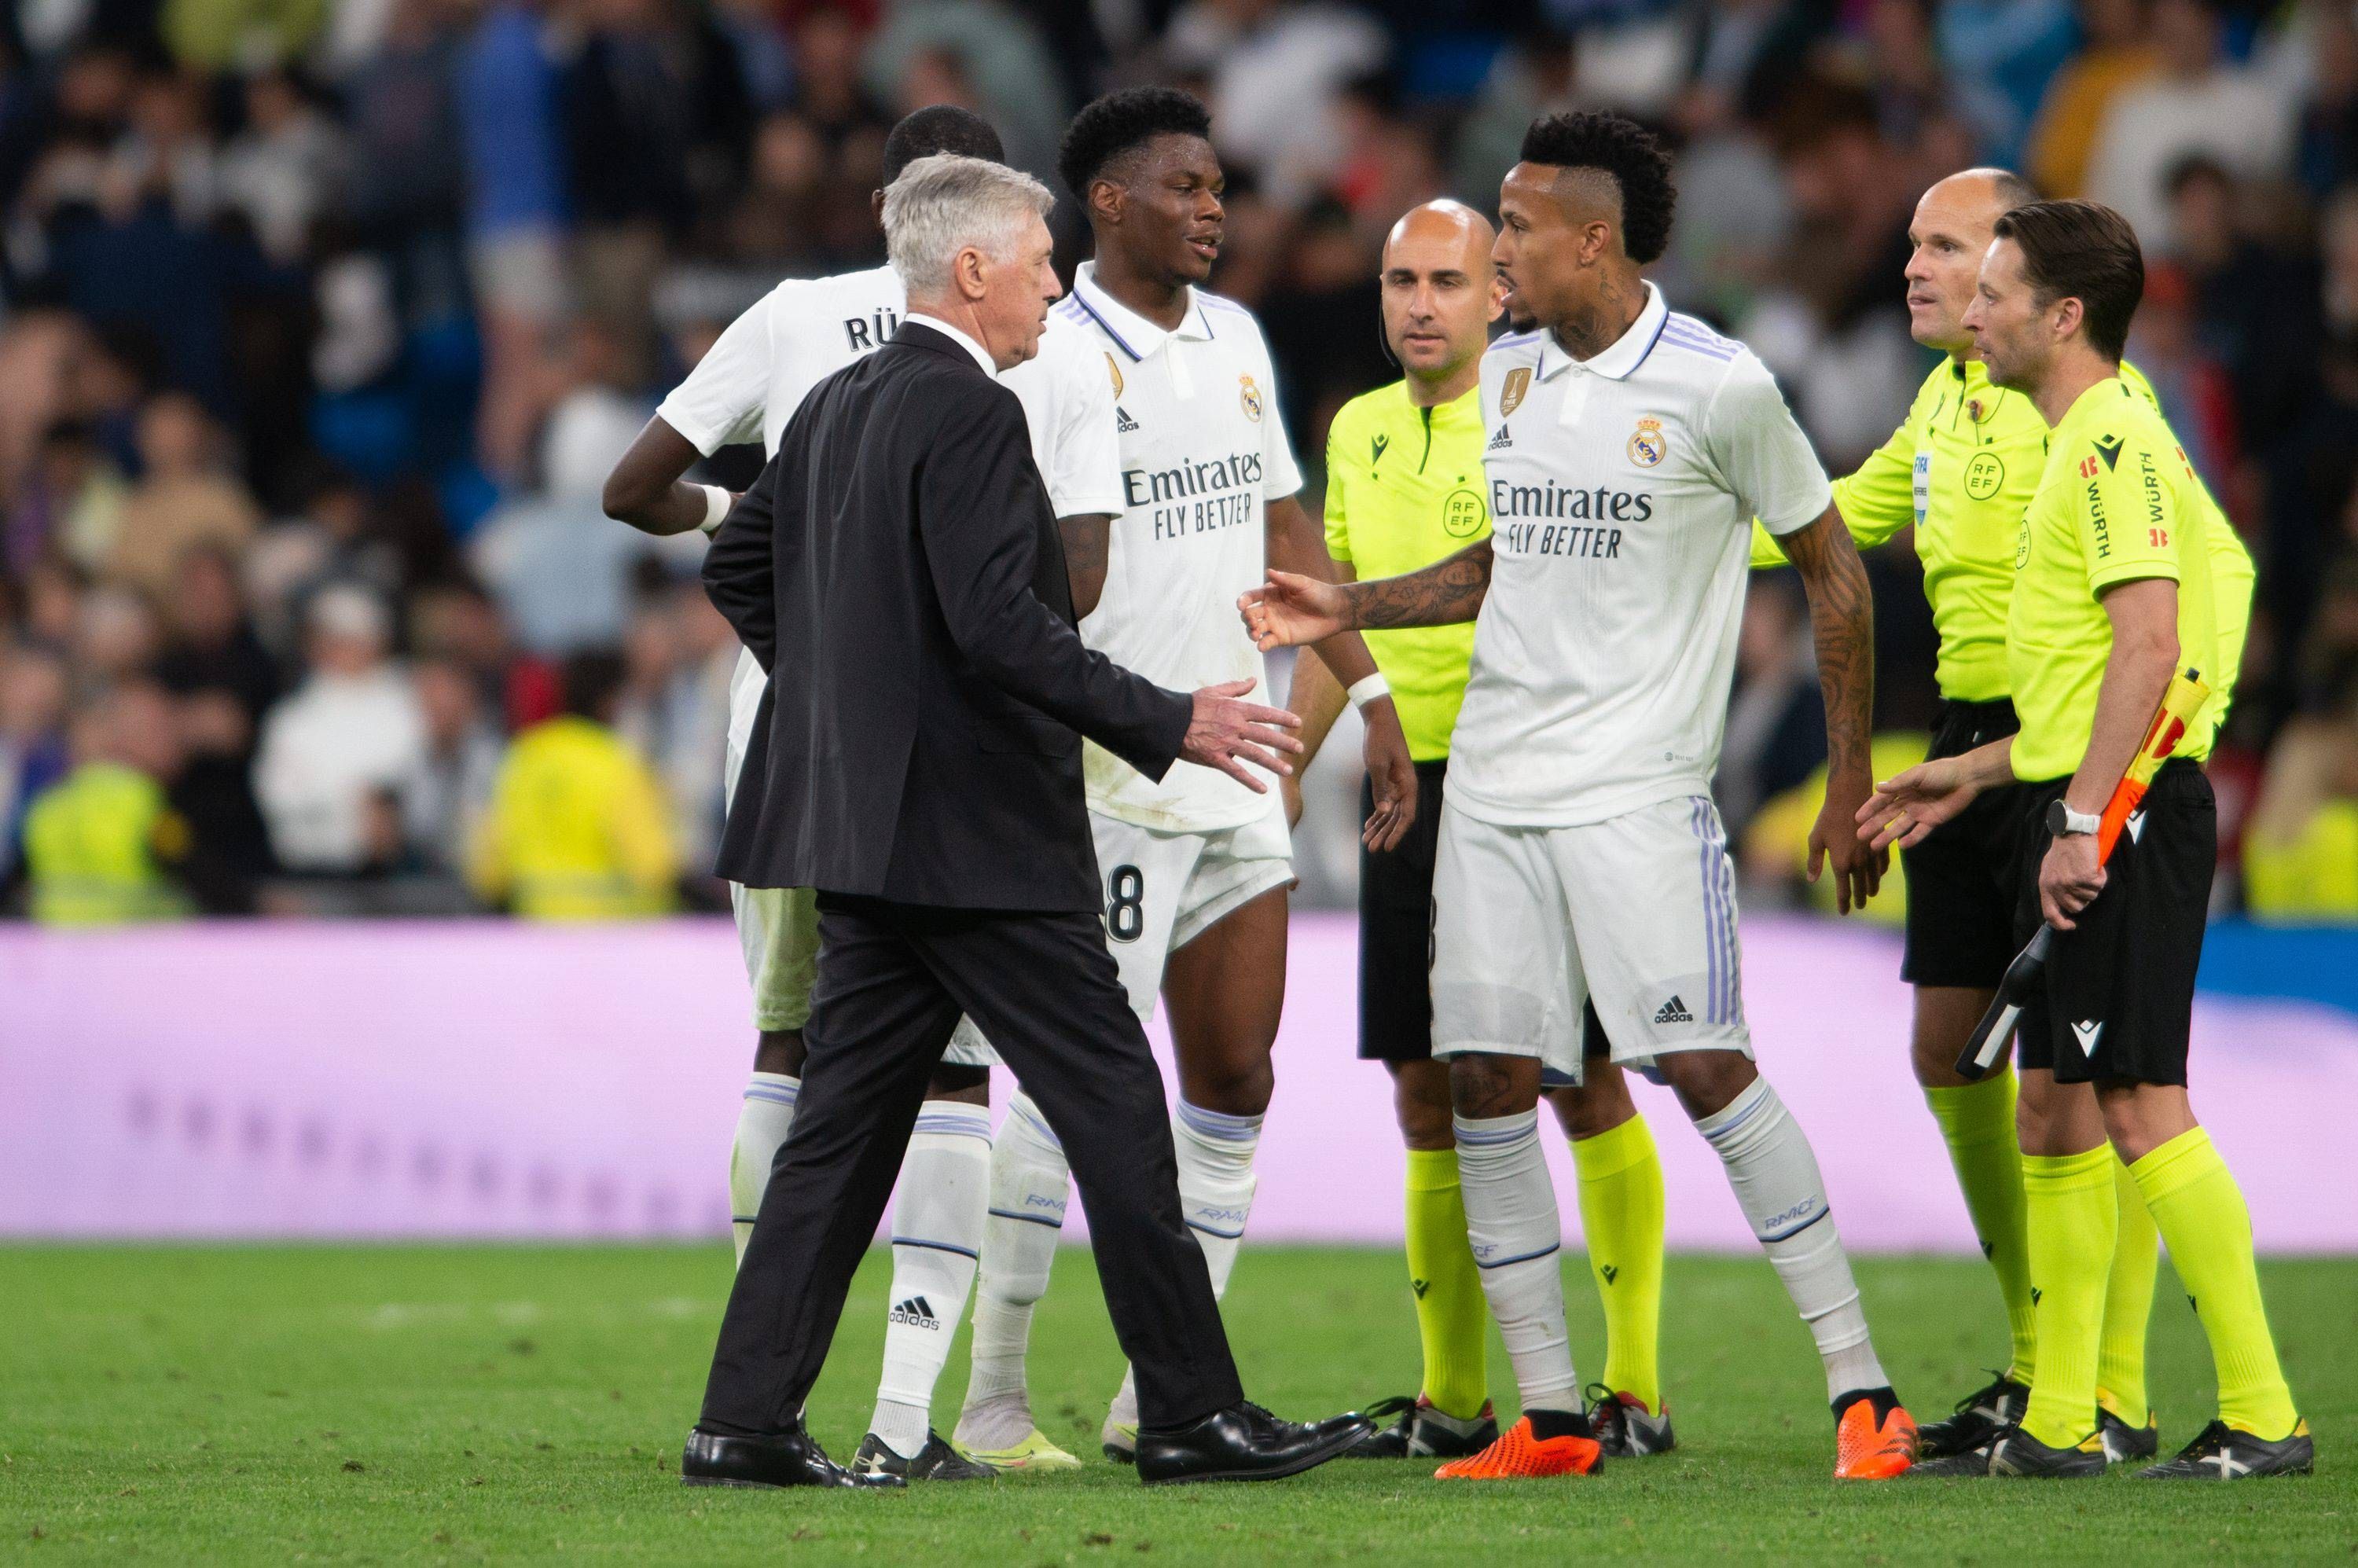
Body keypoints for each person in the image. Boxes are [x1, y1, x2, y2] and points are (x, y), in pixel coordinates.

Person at [1242, 110, 1921, 1483]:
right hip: (1489, 793)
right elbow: (1504, 564)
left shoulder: (1724, 388)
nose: (1497, 258)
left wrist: (1849, 784)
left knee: (1700, 1067)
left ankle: (1864, 1389)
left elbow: (1838, 578)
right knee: (1486, 1082)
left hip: (1639, 799)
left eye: (1518, 231)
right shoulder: (1513, 382)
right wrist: (1353, 602)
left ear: (1594, 241)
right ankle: (1550, 1418)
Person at [685, 152, 1371, 1491]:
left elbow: (734, 562)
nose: (1056, 282)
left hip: (864, 843)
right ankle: (1188, 1412)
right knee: (1116, 1101)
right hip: (980, 844)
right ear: (974, 269)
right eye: (1042, 257)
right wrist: (1178, 719)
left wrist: (850, 694)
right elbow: (1005, 631)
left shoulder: (833, 404)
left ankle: (744, 1421)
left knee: (840, 1129)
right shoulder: (975, 414)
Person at [603, 105, 1118, 1480]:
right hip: (949, 755)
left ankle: (756, 1389)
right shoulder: (1041, 348)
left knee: (792, 1060)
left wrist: (773, 560)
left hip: (788, 738)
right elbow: (1068, 590)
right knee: (953, 1073)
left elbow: (634, 488)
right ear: (978, 227)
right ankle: (904, 1419)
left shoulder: (792, 321)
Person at [1752, 167, 2256, 1463]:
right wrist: (1669, 513)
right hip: (1994, 754)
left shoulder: (2094, 419)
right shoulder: (1956, 398)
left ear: (2039, 291)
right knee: (1972, 1056)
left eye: (1961, 256)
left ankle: (2111, 1392)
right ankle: (2054, 1375)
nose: (1933, 278)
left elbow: (2191, 603)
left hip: (2088, 773)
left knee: (2096, 1090)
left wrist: (2120, 783)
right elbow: (1844, 522)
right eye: (1919, 248)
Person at [949, 86, 1417, 1470]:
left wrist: (1370, 687)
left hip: (1239, 765)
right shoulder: (1047, 356)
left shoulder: (1238, 337)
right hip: (1108, 774)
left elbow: (1284, 523)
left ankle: (1173, 1397)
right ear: (1106, 202)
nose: (1217, 209)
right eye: (1187, 187)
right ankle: (990, 1401)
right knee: (1069, 1092)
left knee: (1234, 1078)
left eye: (1222, 188)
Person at [1869, 199, 2310, 1481]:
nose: (1980, 309)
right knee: (2103, 1099)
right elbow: (2090, 682)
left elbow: (2153, 648)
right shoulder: (2088, 437)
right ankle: (2065, 1417)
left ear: (2063, 315)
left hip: (2126, 817)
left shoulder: (2109, 441)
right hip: (2107, 798)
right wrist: (1974, 770)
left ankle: (2264, 1413)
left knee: (2139, 1102)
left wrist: (2078, 820)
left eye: (2000, 289)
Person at [1285, 198, 1673, 1462]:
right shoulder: (1355, 430)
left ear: (1496, 297)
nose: (1418, 303)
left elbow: (1507, 573)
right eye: (1400, 278)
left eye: (1447, 279)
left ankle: (1634, 1383)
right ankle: (1451, 1393)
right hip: (1408, 782)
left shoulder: (1542, 413)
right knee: (1420, 1080)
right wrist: (1292, 750)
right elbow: (1336, 620)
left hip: (1536, 779)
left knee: (1580, 1076)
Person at [468, 649, 679, 920]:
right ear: (610, 701)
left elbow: (487, 873)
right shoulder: (617, 762)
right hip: (613, 940)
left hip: (531, 935)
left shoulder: (522, 759)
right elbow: (655, 868)